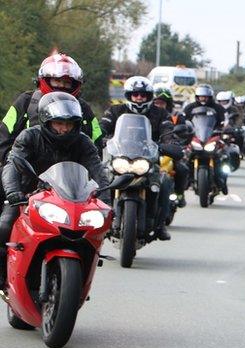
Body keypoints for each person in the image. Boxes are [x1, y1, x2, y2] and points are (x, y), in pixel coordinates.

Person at [0, 92, 106, 288]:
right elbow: (12, 164)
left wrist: (106, 196)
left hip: (70, 199)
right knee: (5, 224)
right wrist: (13, 192)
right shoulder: (29, 136)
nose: (64, 129)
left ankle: (80, 277)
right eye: (59, 123)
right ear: (46, 121)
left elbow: (97, 168)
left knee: (93, 231)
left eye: (69, 124)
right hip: (28, 195)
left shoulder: (83, 142)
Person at [101, 76, 174, 240]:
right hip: (120, 159)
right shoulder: (115, 111)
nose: (139, 98)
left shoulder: (160, 113)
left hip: (147, 161)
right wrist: (101, 140)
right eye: (135, 94)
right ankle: (99, 219)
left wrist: (169, 144)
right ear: (129, 95)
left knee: (165, 181)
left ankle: (160, 225)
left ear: (149, 96)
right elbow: (101, 129)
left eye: (143, 94)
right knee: (100, 179)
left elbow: (168, 132)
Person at [0, 52, 103, 164]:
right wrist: (13, 161)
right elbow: (4, 135)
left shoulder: (83, 108)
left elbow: (96, 142)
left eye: (67, 82)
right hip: (29, 174)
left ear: (75, 84)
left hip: (71, 176)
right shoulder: (26, 101)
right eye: (57, 81)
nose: (62, 86)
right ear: (45, 80)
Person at [152, 85, 192, 208]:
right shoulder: (146, 114)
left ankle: (179, 194)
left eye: (162, 103)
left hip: (168, 150)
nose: (159, 106)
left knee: (182, 169)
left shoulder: (176, 116)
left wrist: (176, 144)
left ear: (168, 104)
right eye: (156, 103)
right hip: (147, 151)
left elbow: (183, 132)